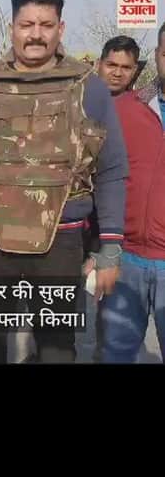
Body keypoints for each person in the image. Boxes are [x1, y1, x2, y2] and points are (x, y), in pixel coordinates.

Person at [0, 0, 129, 365]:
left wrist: (110, 247)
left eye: (46, 24)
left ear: (61, 28)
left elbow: (111, 170)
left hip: (62, 241)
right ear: (13, 28)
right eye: (27, 25)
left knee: (58, 348)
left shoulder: (88, 88)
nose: (35, 34)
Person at [99, 22, 165, 364]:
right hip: (126, 258)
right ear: (157, 55)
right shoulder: (124, 108)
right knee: (115, 354)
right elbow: (99, 176)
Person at [85, 35, 144, 359]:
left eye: (126, 67)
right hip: (73, 218)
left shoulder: (140, 112)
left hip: (114, 223)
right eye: (112, 65)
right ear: (99, 64)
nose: (118, 73)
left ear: (135, 71)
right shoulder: (80, 101)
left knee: (108, 304)